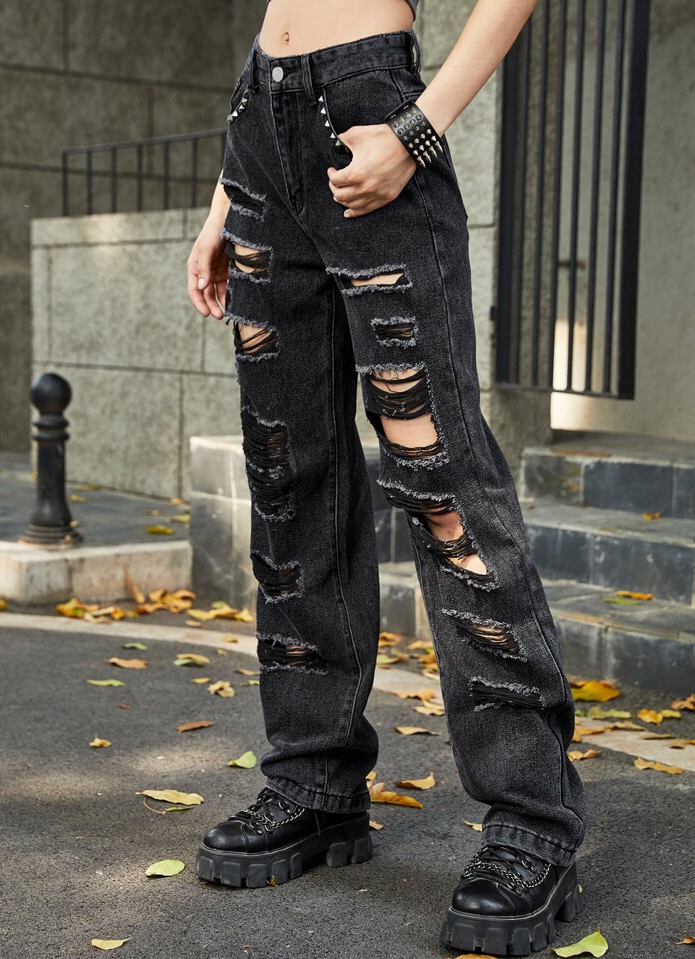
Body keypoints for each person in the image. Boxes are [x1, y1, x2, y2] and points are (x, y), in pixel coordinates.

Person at [186, 0, 588, 954]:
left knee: (440, 479)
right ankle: (314, 777)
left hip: (367, 109)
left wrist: (417, 129)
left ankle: (533, 817)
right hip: (259, 137)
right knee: (287, 477)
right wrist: (222, 206)